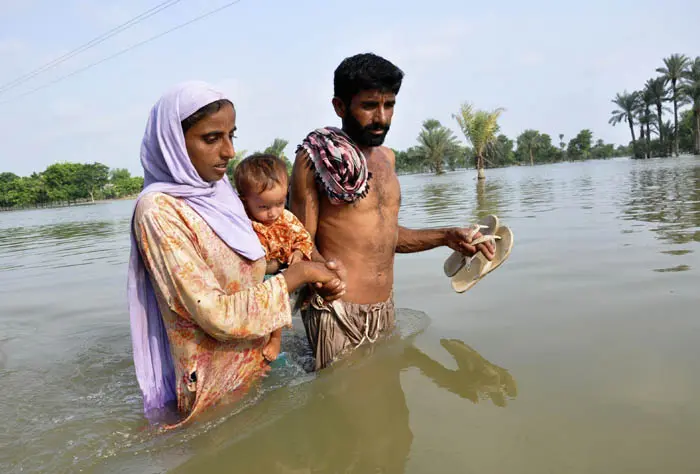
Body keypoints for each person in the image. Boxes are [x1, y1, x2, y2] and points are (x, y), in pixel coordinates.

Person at [126, 81, 345, 427]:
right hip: (213, 388)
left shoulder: (221, 195)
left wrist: (310, 276)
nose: (228, 151)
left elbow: (252, 276)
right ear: (172, 143)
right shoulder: (159, 211)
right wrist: (297, 276)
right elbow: (213, 312)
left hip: (255, 365)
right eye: (212, 138)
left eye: (232, 136)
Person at [290, 53, 496, 370]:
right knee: (342, 408)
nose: (382, 117)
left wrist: (446, 236)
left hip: (385, 310)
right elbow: (299, 245)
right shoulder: (317, 160)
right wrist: (323, 273)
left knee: (393, 410)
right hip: (337, 312)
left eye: (390, 105)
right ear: (340, 107)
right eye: (370, 106)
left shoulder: (388, 158)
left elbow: (384, 238)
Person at [232, 153, 317, 362]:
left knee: (276, 300)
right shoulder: (242, 221)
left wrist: (298, 253)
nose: (273, 213)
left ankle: (276, 339)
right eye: (264, 207)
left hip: (278, 275)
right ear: (244, 201)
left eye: (279, 203)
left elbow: (303, 238)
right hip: (254, 277)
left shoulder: (286, 217)